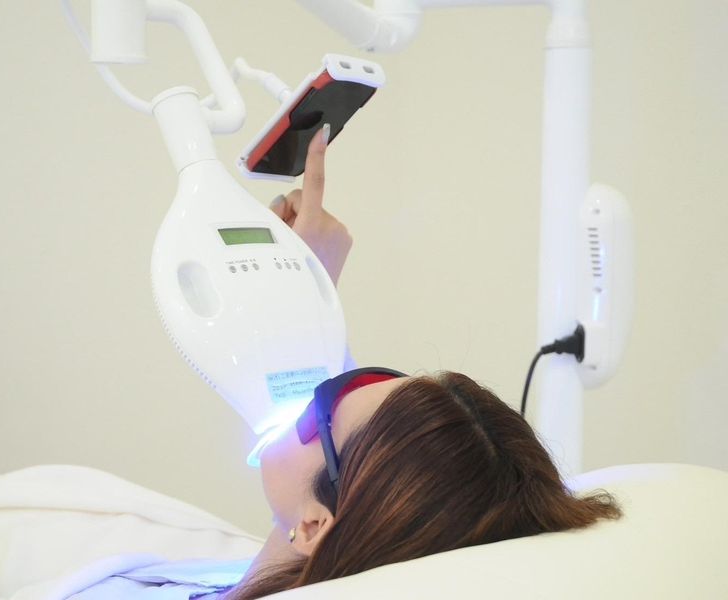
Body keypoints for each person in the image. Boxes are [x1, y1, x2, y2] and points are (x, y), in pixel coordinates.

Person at [220, 127, 622, 600]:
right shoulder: (317, 539)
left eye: (314, 414)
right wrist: (310, 295)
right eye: (359, 380)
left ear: (314, 527)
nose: (310, 391)